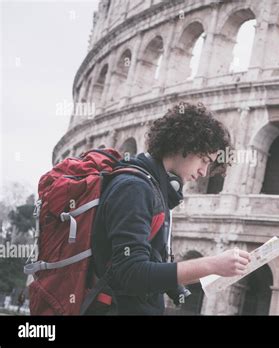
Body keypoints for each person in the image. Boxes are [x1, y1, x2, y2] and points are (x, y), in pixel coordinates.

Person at [88, 102, 251, 315]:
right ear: (184, 144)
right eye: (204, 160)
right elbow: (130, 273)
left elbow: (151, 260)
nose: (204, 171)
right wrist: (212, 264)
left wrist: (178, 289)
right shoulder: (135, 188)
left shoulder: (154, 188)